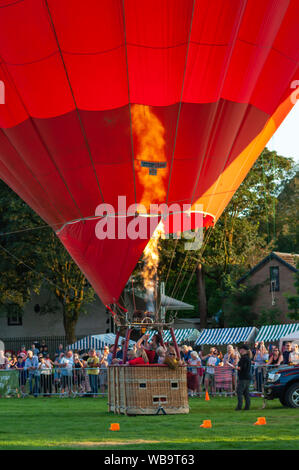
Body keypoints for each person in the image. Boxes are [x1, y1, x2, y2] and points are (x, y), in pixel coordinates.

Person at [234, 344, 252, 411]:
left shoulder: (244, 358)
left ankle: (239, 407)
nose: (239, 350)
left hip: (243, 377)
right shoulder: (247, 357)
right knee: (246, 393)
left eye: (240, 349)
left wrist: (236, 368)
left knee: (239, 392)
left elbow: (242, 368)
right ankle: (247, 406)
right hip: (247, 377)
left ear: (243, 350)